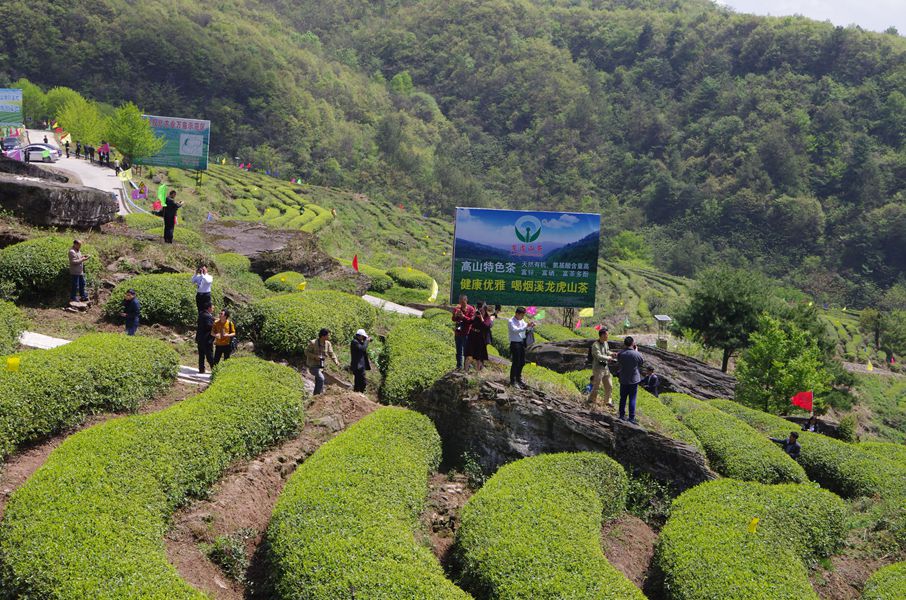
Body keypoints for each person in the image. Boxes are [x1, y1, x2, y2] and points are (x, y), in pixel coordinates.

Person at [616, 336, 644, 423]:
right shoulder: (637, 354)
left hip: (623, 379)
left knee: (623, 398)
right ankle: (631, 418)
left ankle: (621, 415)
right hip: (633, 379)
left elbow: (618, 360)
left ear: (624, 344)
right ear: (632, 343)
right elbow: (641, 362)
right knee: (632, 398)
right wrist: (636, 351)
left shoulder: (620, 353)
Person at [306, 328, 339, 395]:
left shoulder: (328, 344)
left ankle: (316, 396)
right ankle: (319, 395)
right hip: (313, 366)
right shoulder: (313, 343)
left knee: (319, 380)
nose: (329, 337)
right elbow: (306, 352)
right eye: (328, 335)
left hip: (322, 366)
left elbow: (331, 353)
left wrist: (335, 361)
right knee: (321, 378)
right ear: (323, 336)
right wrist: (315, 356)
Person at [587, 327, 615, 408]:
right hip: (598, 368)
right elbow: (598, 356)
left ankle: (608, 402)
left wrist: (612, 354)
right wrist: (608, 358)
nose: (608, 336)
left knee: (609, 385)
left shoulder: (606, 343)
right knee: (597, 385)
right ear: (602, 335)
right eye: (607, 334)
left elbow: (607, 351)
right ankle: (591, 400)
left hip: (605, 367)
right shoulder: (595, 345)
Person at [507, 307, 535, 387]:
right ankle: (513, 380)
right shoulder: (511, 321)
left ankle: (519, 379)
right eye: (522, 315)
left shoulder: (521, 320)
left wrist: (530, 326)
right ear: (517, 314)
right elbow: (515, 330)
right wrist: (526, 326)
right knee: (516, 362)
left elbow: (525, 328)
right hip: (515, 343)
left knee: (522, 362)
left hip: (521, 343)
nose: (523, 317)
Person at [465, 301, 494, 372]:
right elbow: (469, 322)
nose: (480, 311)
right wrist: (474, 316)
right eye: (479, 310)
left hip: (480, 338)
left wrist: (481, 318)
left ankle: (477, 373)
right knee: (469, 354)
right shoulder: (476, 315)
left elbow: (486, 326)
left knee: (479, 357)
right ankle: (465, 371)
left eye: (482, 310)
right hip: (472, 336)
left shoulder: (487, 317)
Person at [452, 294, 475, 369]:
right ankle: (459, 366)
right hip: (458, 332)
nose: (461, 303)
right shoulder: (457, 308)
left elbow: (471, 321)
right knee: (458, 351)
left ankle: (466, 367)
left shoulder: (471, 309)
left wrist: (463, 317)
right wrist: (456, 315)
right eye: (460, 301)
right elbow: (453, 319)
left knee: (466, 351)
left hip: (466, 333)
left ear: (466, 300)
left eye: (462, 301)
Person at [196, 303, 215, 374]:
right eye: (212, 308)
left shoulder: (201, 314)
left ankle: (201, 369)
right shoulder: (207, 316)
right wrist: (215, 324)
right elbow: (208, 326)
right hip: (206, 339)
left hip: (200, 338)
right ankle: (214, 369)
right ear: (209, 308)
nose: (213, 309)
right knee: (209, 355)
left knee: (201, 355)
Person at [350, 329, 371, 393]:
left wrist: (365, 340)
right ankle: (359, 393)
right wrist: (367, 341)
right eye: (363, 337)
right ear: (360, 336)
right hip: (357, 366)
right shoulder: (354, 342)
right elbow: (362, 349)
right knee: (361, 382)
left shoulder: (359, 342)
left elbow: (363, 347)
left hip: (360, 366)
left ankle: (358, 393)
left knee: (360, 382)